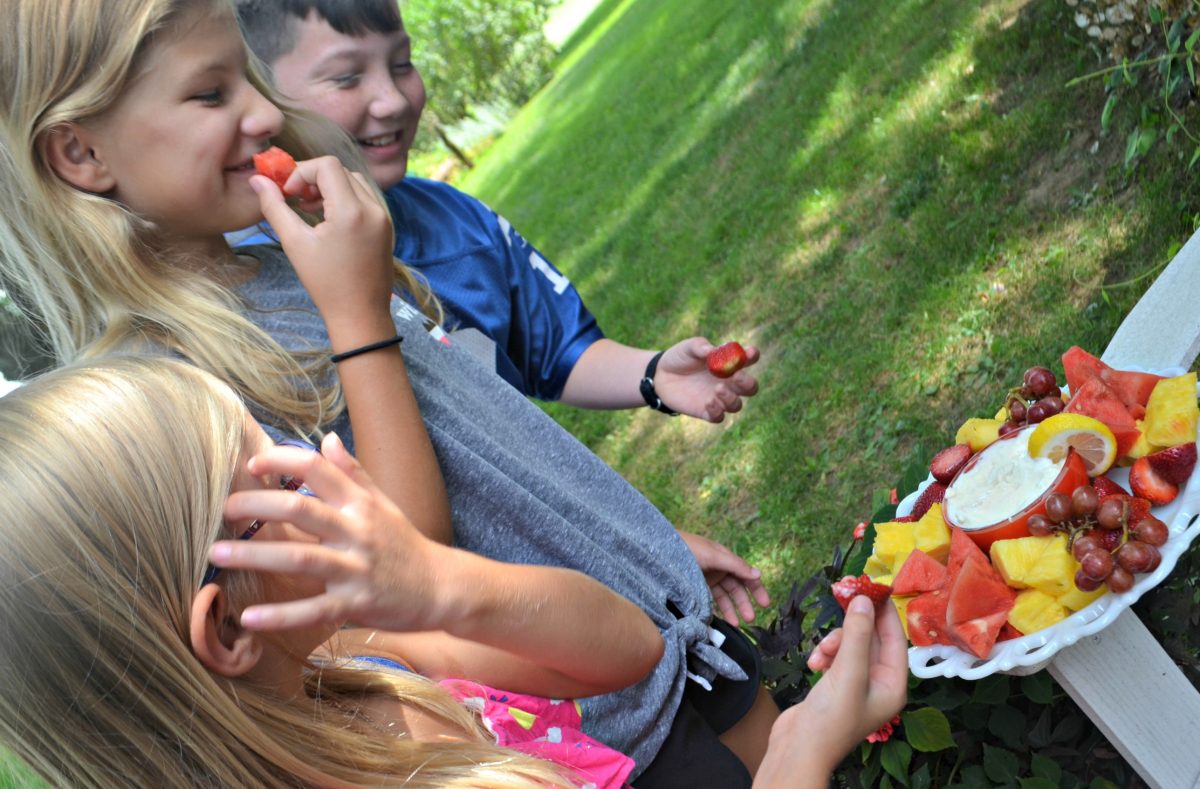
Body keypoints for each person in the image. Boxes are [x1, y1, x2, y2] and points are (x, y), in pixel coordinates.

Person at [0, 0, 773, 781]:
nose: (265, 110)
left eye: (250, 75)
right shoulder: (173, 390)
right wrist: (356, 312)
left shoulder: (285, 257)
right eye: (210, 93)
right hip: (594, 726)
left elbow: (489, 446)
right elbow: (402, 562)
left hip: (645, 631)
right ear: (80, 152)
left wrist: (633, 547)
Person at [0, 357, 908, 788]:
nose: (318, 454)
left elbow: (622, 648)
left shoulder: (355, 659)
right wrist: (796, 759)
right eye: (277, 475)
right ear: (230, 627)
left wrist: (438, 580)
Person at [232, 0, 762, 423]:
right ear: (258, 96)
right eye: (347, 77)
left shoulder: (455, 221)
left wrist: (653, 375)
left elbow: (557, 351)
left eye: (401, 63)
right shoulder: (248, 307)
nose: (392, 99)